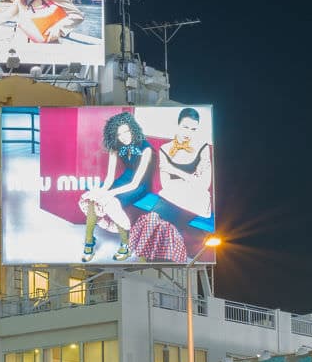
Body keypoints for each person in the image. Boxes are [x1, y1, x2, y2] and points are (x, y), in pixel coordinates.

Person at [78, 111, 156, 260]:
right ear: (115, 136)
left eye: (127, 131)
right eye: (120, 134)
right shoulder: (116, 147)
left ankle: (125, 245)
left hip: (139, 185)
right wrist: (102, 191)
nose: (125, 136)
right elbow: (109, 178)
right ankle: (89, 242)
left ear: (133, 129)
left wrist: (110, 194)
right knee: (94, 197)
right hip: (123, 180)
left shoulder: (146, 149)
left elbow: (135, 183)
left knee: (111, 202)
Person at [155, 107, 216, 228]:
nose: (188, 133)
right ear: (177, 125)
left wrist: (173, 170)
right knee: (151, 220)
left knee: (168, 228)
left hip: (195, 201)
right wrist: (191, 179)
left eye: (193, 129)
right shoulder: (165, 149)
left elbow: (204, 185)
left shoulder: (202, 147)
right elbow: (166, 185)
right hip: (171, 197)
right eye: (185, 127)